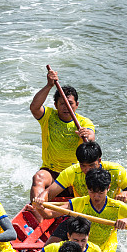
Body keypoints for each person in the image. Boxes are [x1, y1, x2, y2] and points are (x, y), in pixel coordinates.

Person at [36, 168, 127, 252]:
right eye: (92, 192)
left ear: (108, 188)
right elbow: (48, 214)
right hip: (80, 248)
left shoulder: (117, 206)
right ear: (87, 188)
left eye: (100, 192)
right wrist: (39, 207)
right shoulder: (79, 202)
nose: (96, 197)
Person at [43, 142, 127, 242]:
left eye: (91, 165)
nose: (87, 170)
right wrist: (39, 202)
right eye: (83, 165)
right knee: (53, 241)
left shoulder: (116, 170)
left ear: (99, 161)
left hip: (107, 218)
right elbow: (49, 193)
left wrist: (125, 193)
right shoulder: (72, 172)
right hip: (80, 216)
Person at [29, 66, 95, 206]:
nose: (66, 107)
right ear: (56, 105)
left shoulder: (84, 122)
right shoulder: (48, 116)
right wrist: (49, 85)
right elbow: (34, 107)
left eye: (70, 104)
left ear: (77, 105)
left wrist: (87, 136)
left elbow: (91, 137)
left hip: (75, 173)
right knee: (38, 178)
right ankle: (37, 215)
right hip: (51, 172)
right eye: (62, 104)